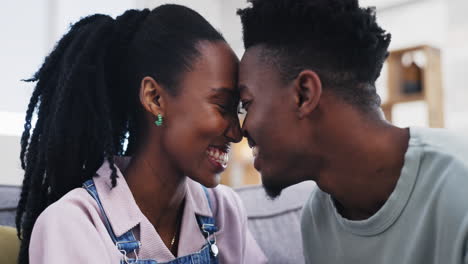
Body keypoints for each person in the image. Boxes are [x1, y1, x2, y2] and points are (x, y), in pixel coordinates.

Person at [17, 5, 267, 264]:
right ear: (155, 98)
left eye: (237, 108)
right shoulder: (74, 225)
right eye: (222, 105)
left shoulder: (222, 210)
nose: (236, 132)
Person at [236, 0, 468, 263]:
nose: (240, 130)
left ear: (304, 94)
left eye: (247, 104)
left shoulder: (459, 186)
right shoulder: (317, 218)